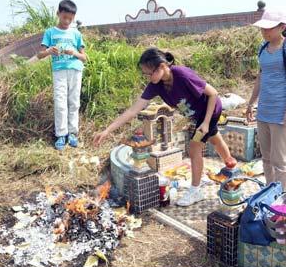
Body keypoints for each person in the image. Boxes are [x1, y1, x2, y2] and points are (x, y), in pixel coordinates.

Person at [93, 47, 236, 206]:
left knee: (195, 147)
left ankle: (196, 191)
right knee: (215, 138)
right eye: (145, 74)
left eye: (149, 73)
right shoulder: (156, 84)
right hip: (198, 116)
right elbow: (133, 110)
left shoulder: (182, 75)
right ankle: (231, 165)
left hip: (211, 110)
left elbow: (213, 93)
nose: (147, 77)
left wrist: (206, 122)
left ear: (162, 66)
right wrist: (107, 130)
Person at [246, 9, 286, 190]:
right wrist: (251, 103)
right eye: (262, 28)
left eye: (269, 28)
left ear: (282, 27)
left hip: (281, 113)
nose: (264, 32)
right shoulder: (262, 48)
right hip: (264, 112)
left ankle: (282, 199)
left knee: (281, 161)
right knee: (267, 158)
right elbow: (260, 78)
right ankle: (270, 193)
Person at [37, 0, 87, 150]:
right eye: (64, 17)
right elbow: (39, 55)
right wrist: (48, 51)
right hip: (59, 71)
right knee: (60, 102)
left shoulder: (76, 34)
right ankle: (61, 134)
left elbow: (84, 57)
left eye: (70, 19)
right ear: (58, 13)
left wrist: (75, 53)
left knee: (74, 102)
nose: (67, 21)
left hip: (75, 69)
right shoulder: (50, 32)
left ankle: (72, 133)